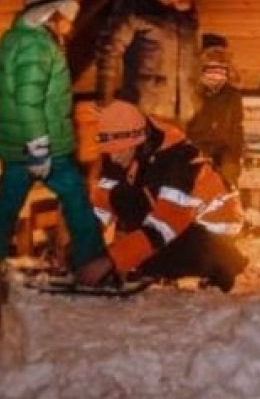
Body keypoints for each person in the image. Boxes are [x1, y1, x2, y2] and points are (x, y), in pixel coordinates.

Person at [0, 0, 104, 278]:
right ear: (51, 14)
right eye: (68, 18)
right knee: (76, 199)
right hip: (42, 146)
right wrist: (39, 148)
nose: (70, 26)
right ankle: (92, 265)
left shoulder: (16, 38)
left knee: (6, 204)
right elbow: (28, 102)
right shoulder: (38, 47)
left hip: (18, 145)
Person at [79, 100, 247, 291]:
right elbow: (103, 201)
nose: (113, 158)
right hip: (176, 221)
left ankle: (223, 265)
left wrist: (111, 260)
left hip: (212, 230)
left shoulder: (178, 159)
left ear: (139, 142)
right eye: (109, 152)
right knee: (124, 199)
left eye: (118, 151)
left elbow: (166, 223)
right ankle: (147, 264)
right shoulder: (120, 148)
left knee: (148, 260)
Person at [95, 0, 201, 128]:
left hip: (182, 114)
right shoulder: (136, 8)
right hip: (144, 109)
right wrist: (106, 101)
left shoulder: (188, 19)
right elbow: (109, 52)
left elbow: (195, 61)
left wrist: (196, 100)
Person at [186, 33, 244, 187]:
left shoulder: (231, 95)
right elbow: (183, 126)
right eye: (210, 69)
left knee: (228, 170)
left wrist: (237, 154)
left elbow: (237, 127)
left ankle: (228, 204)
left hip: (224, 148)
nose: (215, 76)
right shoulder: (191, 94)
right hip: (196, 146)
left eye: (220, 70)